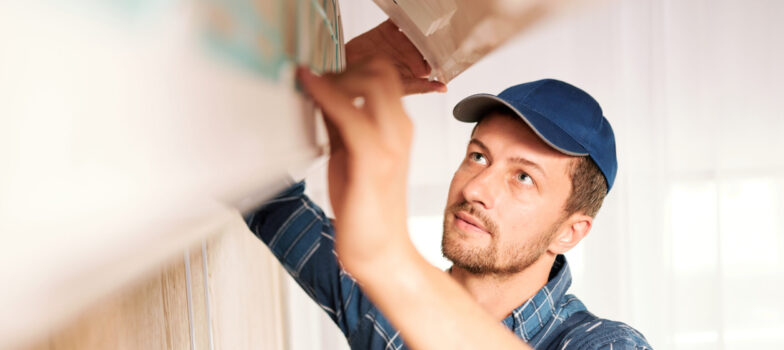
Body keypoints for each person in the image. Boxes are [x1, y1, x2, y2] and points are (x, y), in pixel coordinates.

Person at [245, 19, 652, 349]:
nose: (476, 190)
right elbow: (256, 187)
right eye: (479, 156)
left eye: (523, 178)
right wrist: (329, 73)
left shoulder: (606, 344)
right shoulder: (383, 301)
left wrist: (389, 260)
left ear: (570, 231)